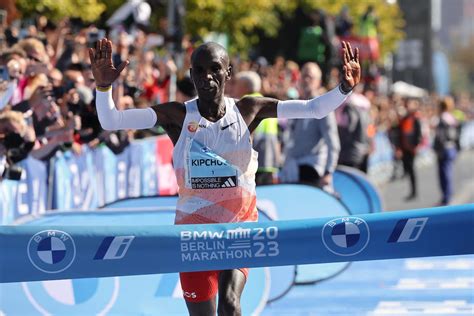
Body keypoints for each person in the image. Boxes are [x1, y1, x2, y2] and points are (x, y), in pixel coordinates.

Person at [90, 38, 360, 316]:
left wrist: (344, 88)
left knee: (230, 304)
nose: (207, 77)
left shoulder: (249, 109)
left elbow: (313, 109)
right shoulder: (177, 115)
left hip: (238, 229)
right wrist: (103, 87)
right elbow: (112, 121)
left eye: (215, 69)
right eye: (199, 70)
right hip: (193, 233)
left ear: (228, 73)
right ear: (191, 74)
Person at [280, 62, 340, 194]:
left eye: (310, 77)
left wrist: (328, 172)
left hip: (312, 170)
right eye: (303, 76)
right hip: (293, 169)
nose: (306, 80)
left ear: (318, 82)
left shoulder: (323, 107)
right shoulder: (296, 103)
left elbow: (333, 142)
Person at [233, 70, 280, 185]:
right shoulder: (266, 102)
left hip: (252, 164)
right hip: (270, 163)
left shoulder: (245, 105)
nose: (233, 88)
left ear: (244, 87)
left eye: (236, 84)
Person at [433, 97, 459, 206]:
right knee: (448, 172)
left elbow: (441, 136)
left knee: (444, 174)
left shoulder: (443, 119)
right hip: (451, 147)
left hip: (444, 149)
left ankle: (446, 197)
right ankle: (448, 195)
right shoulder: (451, 117)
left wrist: (437, 148)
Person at [398, 98, 423, 200]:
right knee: (407, 168)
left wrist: (415, 146)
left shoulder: (415, 119)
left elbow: (418, 134)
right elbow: (400, 133)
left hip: (411, 148)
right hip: (404, 147)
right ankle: (412, 191)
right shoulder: (404, 118)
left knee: (412, 169)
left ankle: (414, 191)